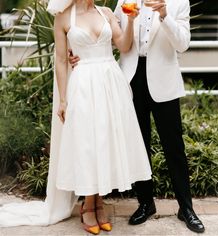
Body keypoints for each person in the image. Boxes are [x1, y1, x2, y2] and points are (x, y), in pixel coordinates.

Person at [0, 0, 152, 234]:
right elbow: (61, 60)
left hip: (110, 83)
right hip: (82, 85)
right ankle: (89, 206)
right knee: (88, 144)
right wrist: (62, 99)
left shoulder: (106, 13)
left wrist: (130, 21)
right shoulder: (63, 18)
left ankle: (98, 202)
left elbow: (123, 45)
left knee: (105, 142)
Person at [69, 0, 205, 233]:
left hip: (164, 82)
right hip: (129, 81)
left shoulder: (179, 2)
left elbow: (182, 44)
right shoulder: (125, 0)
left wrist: (164, 15)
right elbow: (109, 33)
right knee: (137, 144)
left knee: (174, 147)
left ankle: (186, 208)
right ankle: (145, 203)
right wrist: (78, 54)